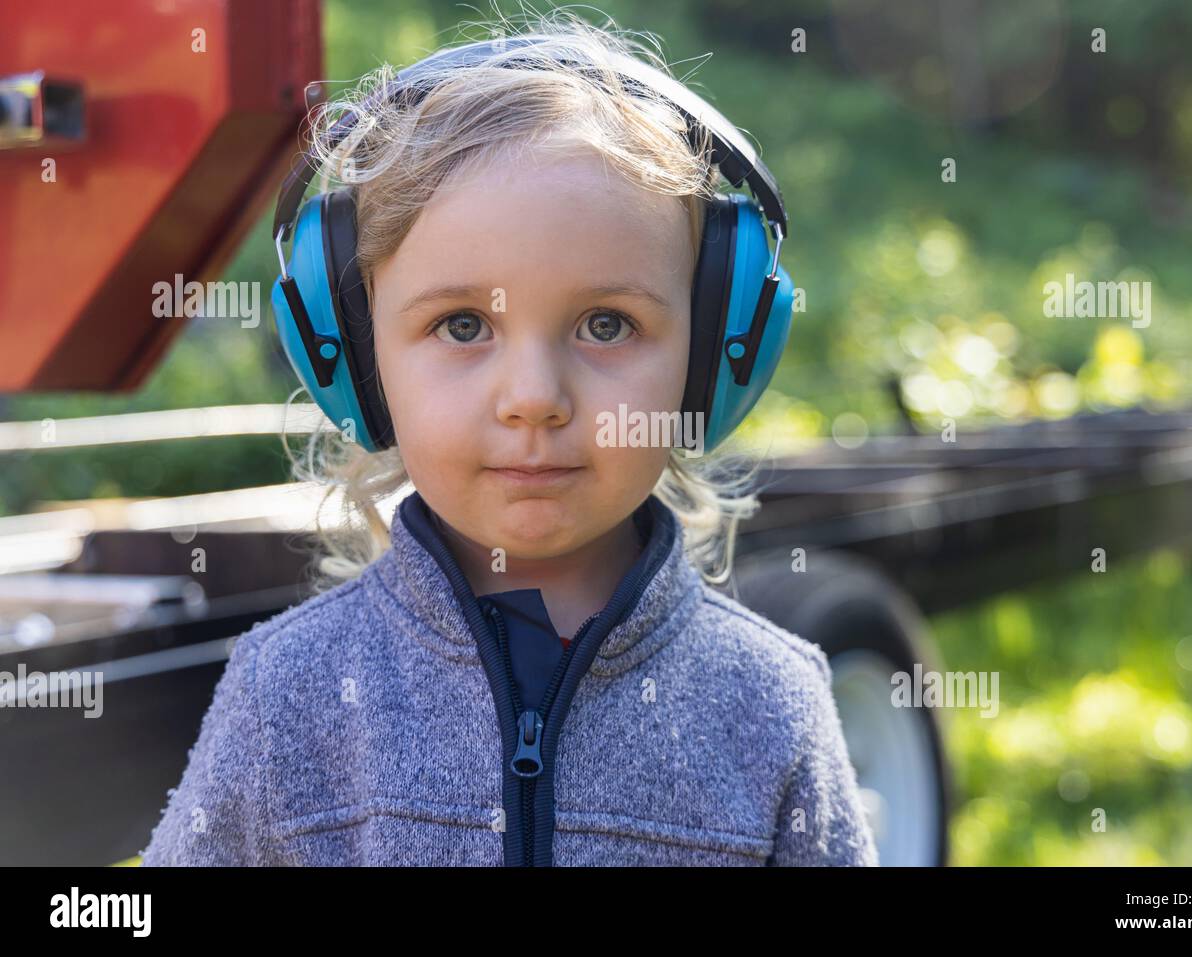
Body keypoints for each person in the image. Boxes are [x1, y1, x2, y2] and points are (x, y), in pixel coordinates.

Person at [141, 8, 878, 867]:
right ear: (358, 361)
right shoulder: (285, 695)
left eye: (606, 323)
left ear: (715, 352)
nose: (534, 398)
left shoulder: (769, 705)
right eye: (461, 326)